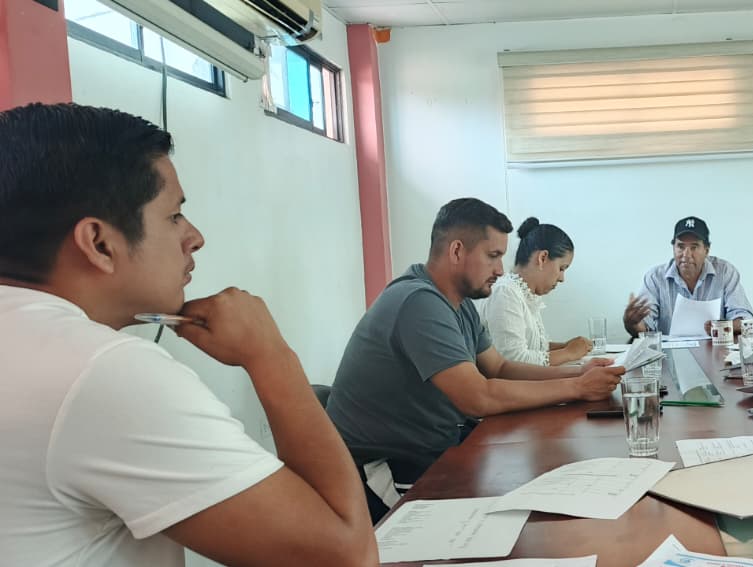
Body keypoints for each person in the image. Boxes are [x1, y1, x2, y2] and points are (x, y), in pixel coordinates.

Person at [0, 103, 376, 566]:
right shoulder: (102, 372)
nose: (194, 237)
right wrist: (271, 356)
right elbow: (347, 556)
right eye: (174, 215)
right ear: (99, 243)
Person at [326, 198, 623, 522]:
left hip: (437, 448)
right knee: (521, 519)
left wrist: (579, 373)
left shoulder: (460, 303)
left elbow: (499, 367)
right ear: (457, 251)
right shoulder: (418, 303)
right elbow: (478, 397)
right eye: (493, 256)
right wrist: (577, 388)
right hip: (389, 466)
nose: (500, 269)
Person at [480, 217, 593, 365]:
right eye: (561, 268)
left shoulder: (524, 294)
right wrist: (569, 352)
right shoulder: (505, 293)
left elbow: (534, 349)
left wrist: (566, 346)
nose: (562, 278)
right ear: (543, 258)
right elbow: (513, 360)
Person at [623, 216, 753, 338]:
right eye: (680, 246)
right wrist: (632, 324)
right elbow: (644, 329)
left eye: (694, 247)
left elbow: (746, 320)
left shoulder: (725, 272)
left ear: (706, 250)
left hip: (716, 350)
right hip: (668, 353)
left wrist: (722, 327)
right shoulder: (655, 278)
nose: (686, 255)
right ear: (673, 248)